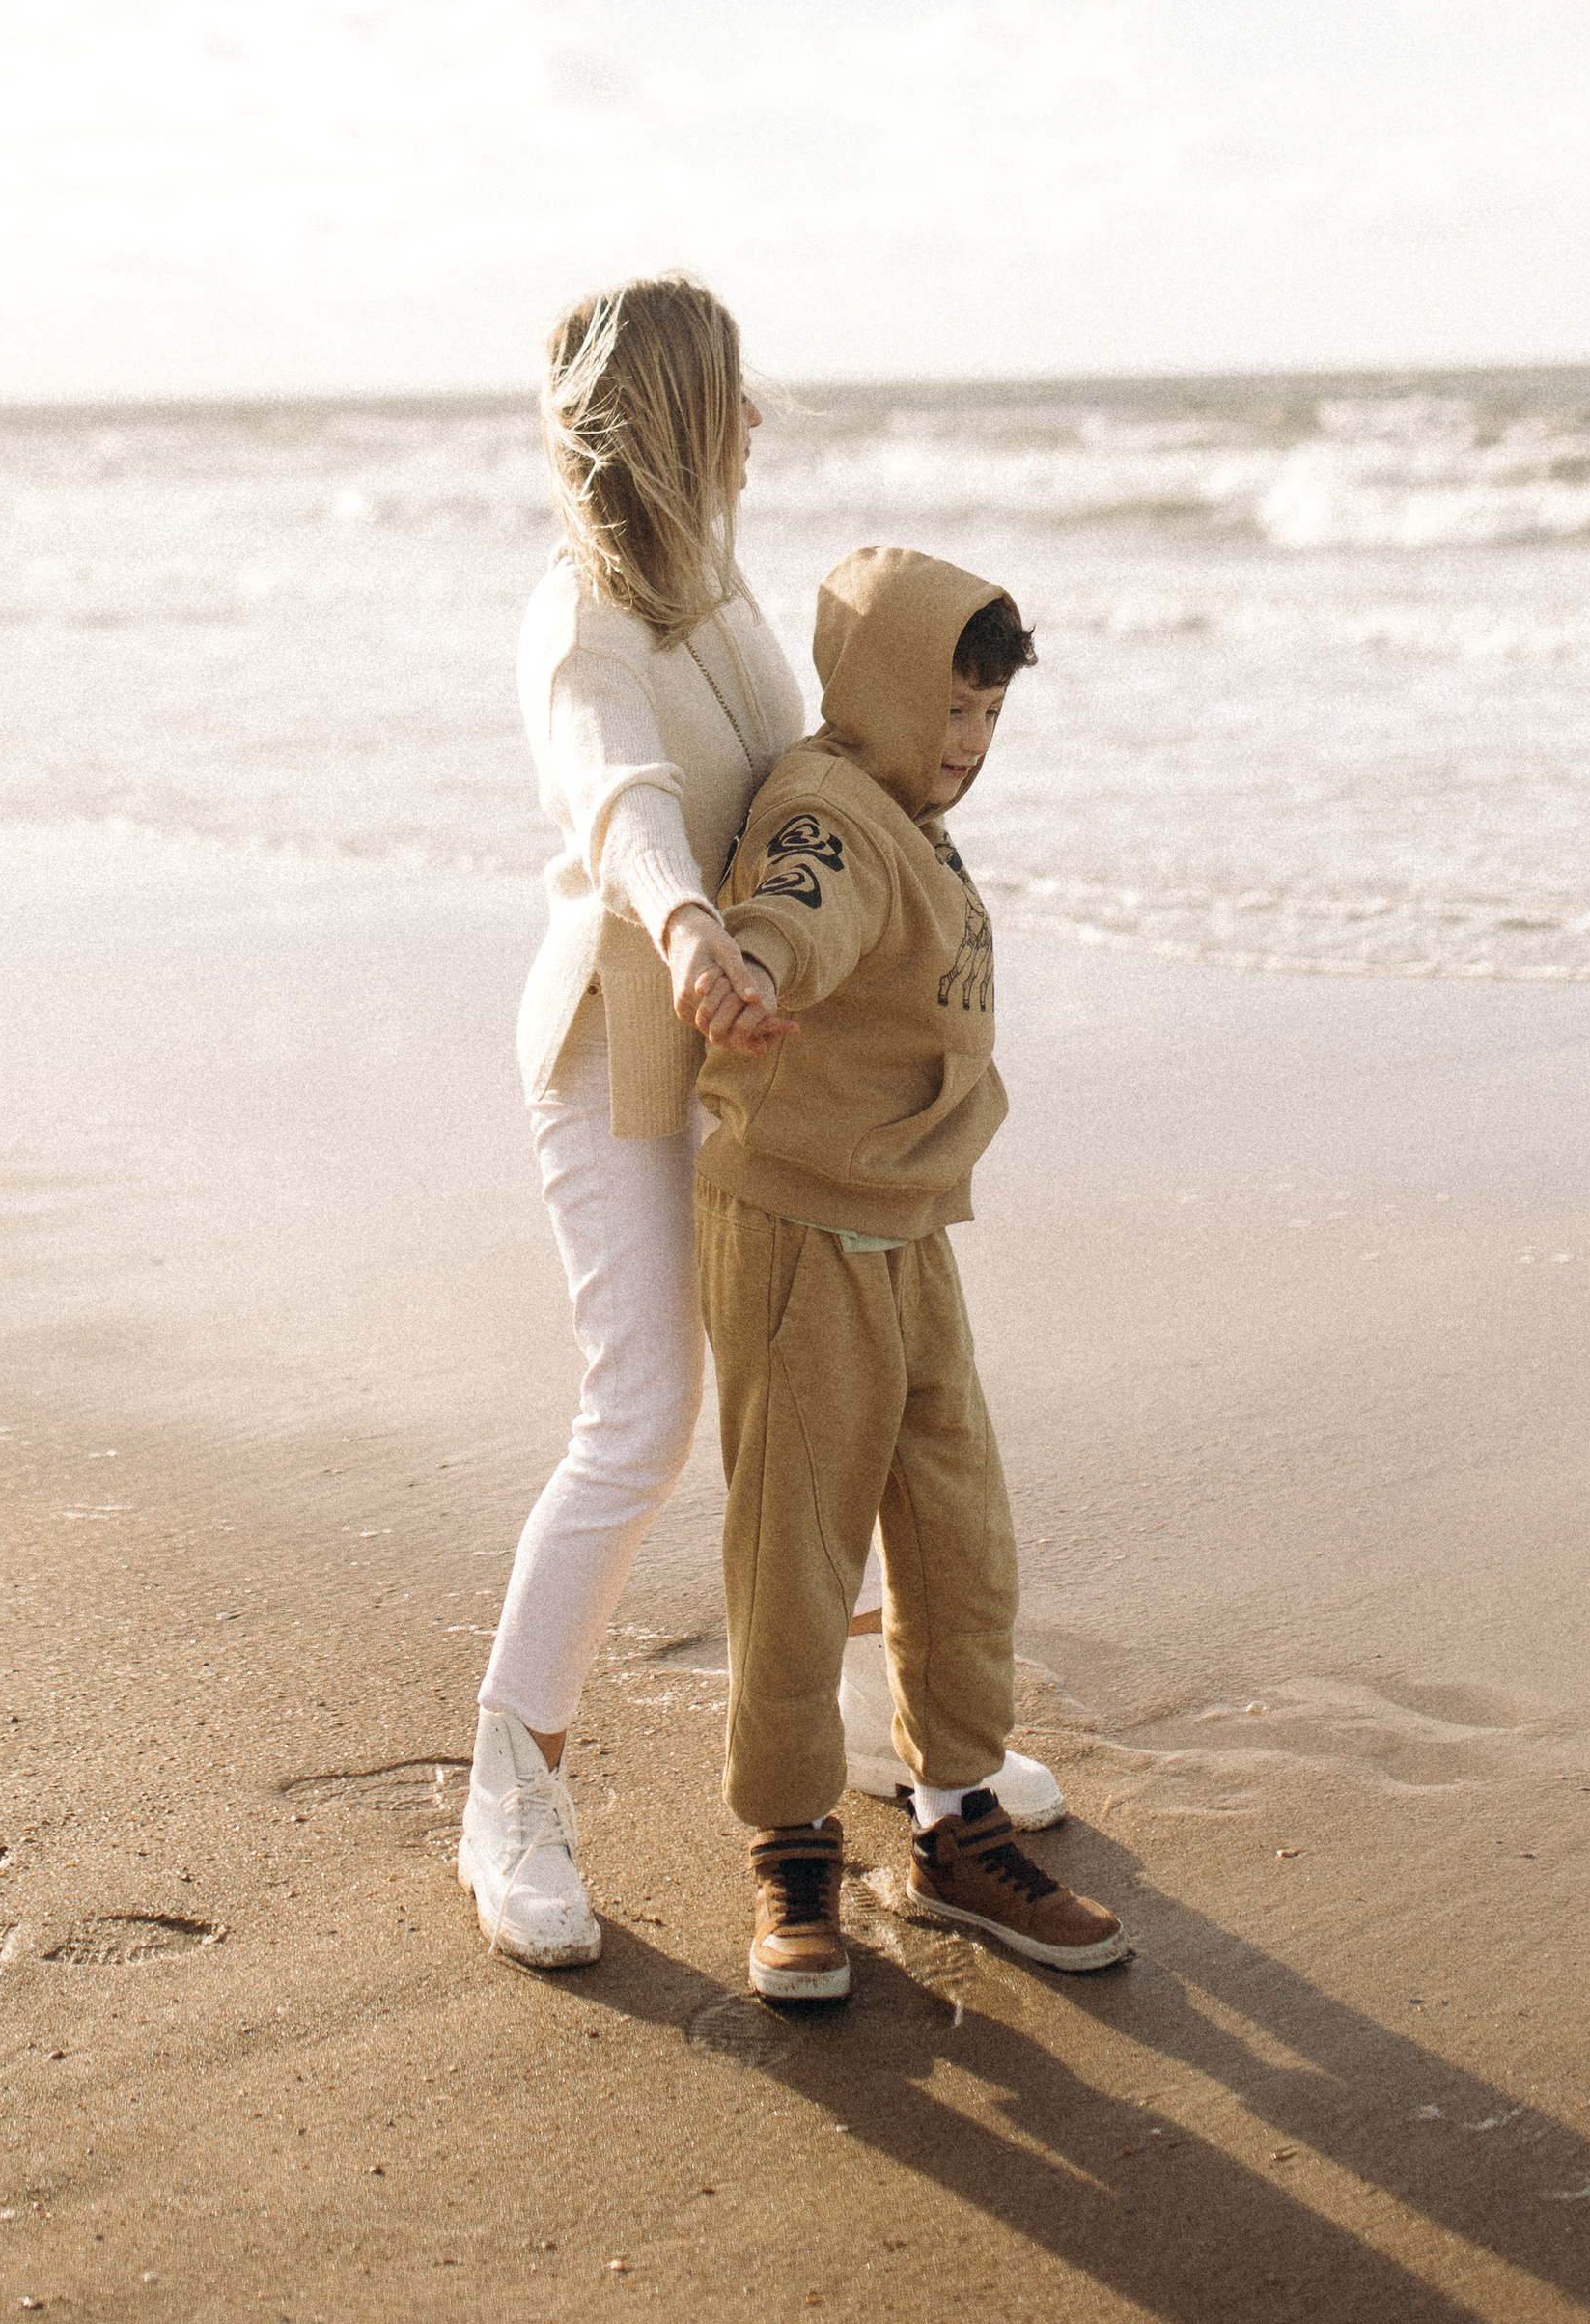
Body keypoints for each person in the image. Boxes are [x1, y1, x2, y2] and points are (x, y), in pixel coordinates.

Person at [458, 293, 1063, 1972]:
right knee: (643, 1420)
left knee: (830, 1382)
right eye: (733, 398)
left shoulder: (711, 591)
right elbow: (627, 804)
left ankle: (872, 1720)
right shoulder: (581, 619)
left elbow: (815, 774)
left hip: (753, 1041)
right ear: (672, 416)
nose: (755, 425)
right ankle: (510, 1790)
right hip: (624, 1048)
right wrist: (684, 930)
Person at [692, 545, 1130, 2003]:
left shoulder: (910, 810)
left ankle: (954, 1826)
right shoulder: (828, 811)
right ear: (880, 689)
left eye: (990, 716)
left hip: (908, 1222)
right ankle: (793, 1848)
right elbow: (796, 905)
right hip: (799, 1230)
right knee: (797, 1549)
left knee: (956, 1534)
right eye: (948, 708)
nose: (968, 743)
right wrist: (753, 965)